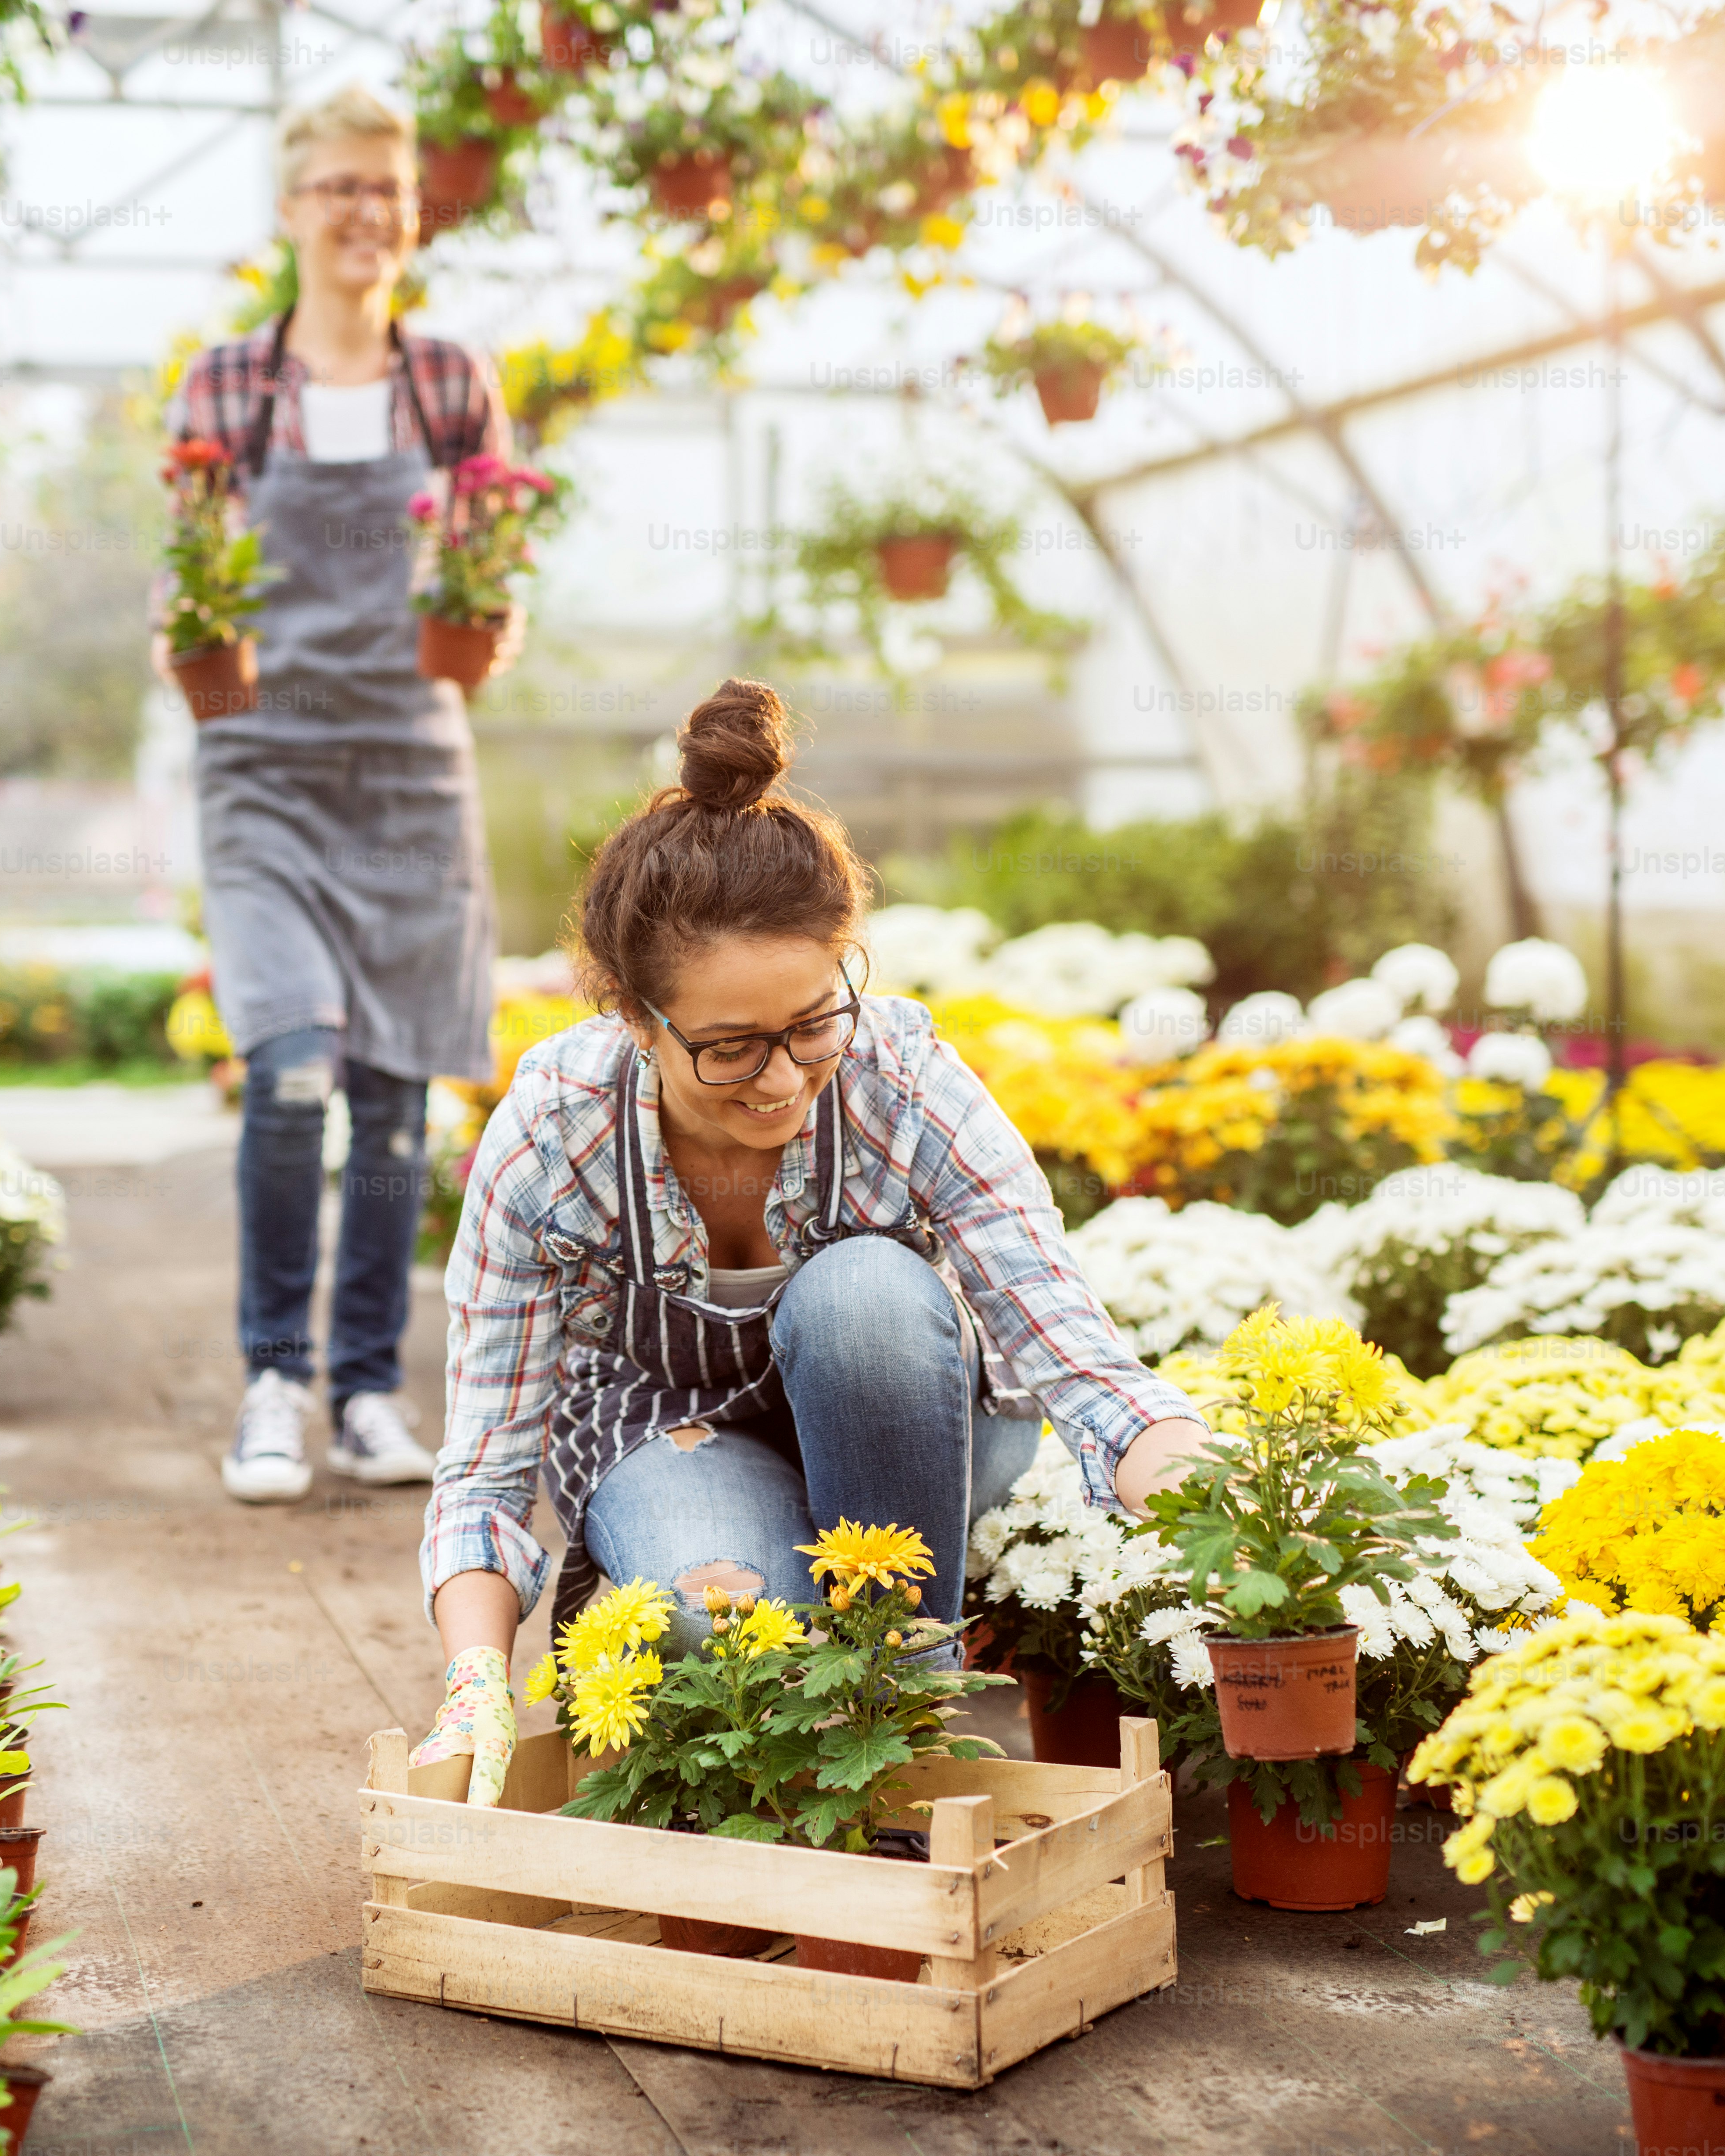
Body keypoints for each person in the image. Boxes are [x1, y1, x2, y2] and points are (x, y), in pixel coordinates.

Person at [403, 680, 1218, 1803]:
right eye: (730, 1046)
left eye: (811, 1022)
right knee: (727, 1634)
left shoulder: (900, 1078)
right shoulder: (555, 1136)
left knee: (868, 1291)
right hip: (671, 1437)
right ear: (637, 1022)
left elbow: (1069, 1350)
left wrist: (1222, 1508)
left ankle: (908, 1711)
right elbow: (489, 1465)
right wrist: (474, 1679)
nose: (783, 1079)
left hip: (899, 1428)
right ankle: (813, 1699)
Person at [163, 83, 517, 1503]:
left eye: (388, 187)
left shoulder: (452, 383)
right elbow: (190, 576)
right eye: (339, 188)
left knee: (390, 1101)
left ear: (414, 212)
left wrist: (486, 623)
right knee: (292, 1061)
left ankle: (369, 1389)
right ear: (292, 210)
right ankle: (271, 1378)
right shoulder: (229, 385)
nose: (365, 211)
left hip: (413, 771)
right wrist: (181, 639)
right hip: (265, 764)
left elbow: (488, 578)